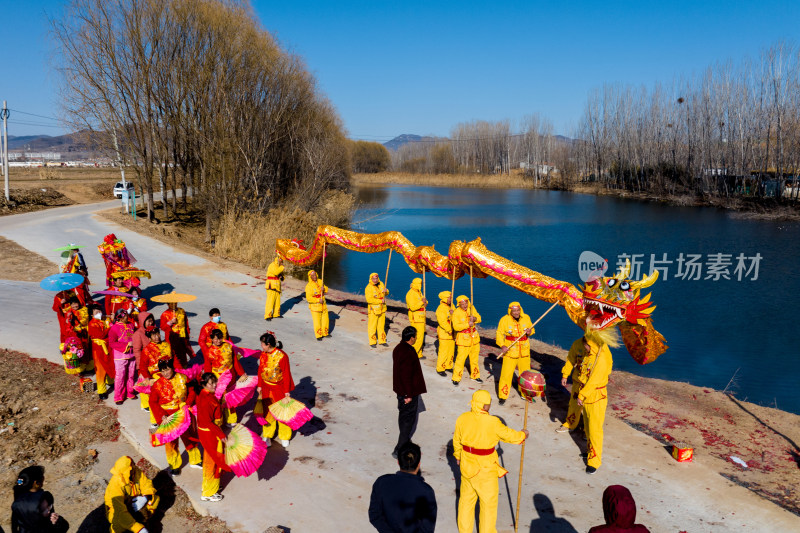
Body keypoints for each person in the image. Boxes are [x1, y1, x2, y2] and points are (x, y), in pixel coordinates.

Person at [452, 390, 528, 533]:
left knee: (466, 502)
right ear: (486, 406)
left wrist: (458, 456)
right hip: (485, 469)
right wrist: (523, 434)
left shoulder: (462, 418)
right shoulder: (493, 422)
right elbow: (510, 436)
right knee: (488, 505)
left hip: (466, 464)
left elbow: (457, 440)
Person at [560, 334, 613, 474]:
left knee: (594, 429)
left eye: (586, 346)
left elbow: (594, 381)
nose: (584, 348)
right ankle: (590, 452)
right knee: (589, 428)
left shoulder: (600, 360)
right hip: (585, 392)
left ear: (592, 345)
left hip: (595, 397)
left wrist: (582, 395)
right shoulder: (590, 356)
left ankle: (594, 461)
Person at [368, 442, 437, 533]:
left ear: (398, 462)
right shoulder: (426, 491)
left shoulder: (381, 482)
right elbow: (427, 529)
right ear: (419, 464)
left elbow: (375, 515)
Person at [149, 359, 201, 474]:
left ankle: (195, 459)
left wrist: (187, 403)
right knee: (171, 442)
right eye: (162, 371)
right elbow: (152, 402)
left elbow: (192, 391)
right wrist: (161, 416)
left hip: (184, 412)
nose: (165, 373)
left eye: (167, 369)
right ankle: (174, 465)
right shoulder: (157, 385)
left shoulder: (183, 378)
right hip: (168, 416)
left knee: (190, 435)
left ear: (172, 368)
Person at [195, 372, 231, 502]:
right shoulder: (206, 400)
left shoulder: (206, 395)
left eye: (215, 382)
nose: (215, 385)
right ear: (204, 384)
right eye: (211, 383)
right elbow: (208, 422)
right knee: (212, 461)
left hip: (210, 431)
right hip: (210, 433)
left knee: (212, 460)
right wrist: (221, 434)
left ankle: (211, 486)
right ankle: (208, 492)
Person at [255, 332, 295, 447]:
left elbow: (286, 374)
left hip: (279, 389)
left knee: (282, 413)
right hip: (266, 388)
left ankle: (284, 436)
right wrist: (259, 385)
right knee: (268, 413)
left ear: (268, 344)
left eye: (262, 344)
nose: (261, 346)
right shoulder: (263, 354)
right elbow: (260, 370)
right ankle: (267, 435)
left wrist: (287, 390)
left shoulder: (282, 356)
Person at [392, 326, 426, 458]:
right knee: (408, 420)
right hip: (407, 392)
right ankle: (400, 447)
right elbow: (406, 375)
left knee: (403, 417)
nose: (416, 338)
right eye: (415, 336)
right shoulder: (408, 352)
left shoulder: (398, 348)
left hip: (400, 390)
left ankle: (404, 439)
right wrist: (408, 395)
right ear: (411, 338)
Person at [139, 327, 183, 425]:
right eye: (154, 335)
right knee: (155, 399)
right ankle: (155, 419)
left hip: (170, 372)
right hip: (156, 376)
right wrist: (148, 378)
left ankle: (172, 414)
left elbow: (174, 359)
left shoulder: (167, 345)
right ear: (149, 338)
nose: (157, 336)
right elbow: (142, 366)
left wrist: (180, 371)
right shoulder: (146, 350)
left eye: (158, 333)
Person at [105, 455, 159, 533]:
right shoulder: (115, 484)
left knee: (155, 500)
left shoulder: (136, 472)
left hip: (133, 501)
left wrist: (145, 498)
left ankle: (142, 520)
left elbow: (146, 484)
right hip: (116, 509)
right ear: (128, 470)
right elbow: (120, 511)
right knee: (118, 521)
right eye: (132, 465)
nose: (135, 465)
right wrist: (139, 529)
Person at [203, 329, 247, 424]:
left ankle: (232, 419)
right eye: (215, 339)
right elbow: (207, 366)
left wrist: (241, 373)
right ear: (211, 339)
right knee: (220, 399)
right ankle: (220, 419)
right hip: (217, 378)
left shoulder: (229, 346)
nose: (218, 341)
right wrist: (207, 381)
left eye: (219, 338)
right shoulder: (209, 351)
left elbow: (235, 361)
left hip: (230, 376)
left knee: (230, 398)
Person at [495, 302, 534, 405]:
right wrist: (502, 345)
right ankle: (503, 396)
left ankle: (525, 394)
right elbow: (499, 333)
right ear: (510, 311)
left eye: (518, 310)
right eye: (514, 311)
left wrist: (530, 332)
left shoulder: (526, 317)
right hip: (510, 351)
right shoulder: (504, 320)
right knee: (506, 375)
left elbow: (532, 328)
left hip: (524, 352)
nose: (516, 313)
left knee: (525, 375)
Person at [11, 465, 69, 533]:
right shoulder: (38, 501)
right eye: (42, 476)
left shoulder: (20, 502)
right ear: (36, 483)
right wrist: (58, 524)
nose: (49, 511)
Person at [451, 295, 483, 385]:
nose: (465, 305)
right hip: (463, 340)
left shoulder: (471, 308)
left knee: (474, 359)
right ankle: (456, 378)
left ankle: (475, 376)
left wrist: (475, 319)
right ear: (459, 304)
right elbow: (456, 327)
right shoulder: (456, 313)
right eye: (463, 304)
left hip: (474, 338)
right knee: (460, 360)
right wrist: (467, 324)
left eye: (466, 303)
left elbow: (479, 318)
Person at [108, 309, 137, 405]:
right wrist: (127, 345)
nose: (126, 317)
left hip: (132, 354)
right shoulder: (114, 328)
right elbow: (112, 343)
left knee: (131, 374)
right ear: (119, 317)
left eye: (127, 315)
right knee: (120, 376)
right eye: (124, 316)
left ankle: (130, 392)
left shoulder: (131, 325)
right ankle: (118, 396)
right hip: (120, 355)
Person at [88, 305, 114, 400]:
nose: (98, 313)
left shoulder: (104, 320)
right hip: (98, 348)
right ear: (92, 314)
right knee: (100, 369)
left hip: (108, 346)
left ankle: (110, 381)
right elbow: (101, 335)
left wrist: (112, 319)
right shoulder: (92, 324)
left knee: (109, 364)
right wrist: (109, 328)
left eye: (99, 310)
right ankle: (102, 390)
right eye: (96, 311)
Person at [160, 301, 192, 368]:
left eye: (175, 303)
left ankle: (184, 368)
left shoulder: (181, 311)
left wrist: (187, 334)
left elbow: (186, 323)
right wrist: (171, 322)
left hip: (182, 336)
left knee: (183, 353)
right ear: (168, 304)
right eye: (171, 303)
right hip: (172, 338)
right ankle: (176, 369)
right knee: (174, 354)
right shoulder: (165, 314)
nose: (174, 304)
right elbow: (163, 327)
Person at [405, 278, 427, 358]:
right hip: (416, 318)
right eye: (420, 284)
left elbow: (424, 301)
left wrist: (425, 302)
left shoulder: (418, 292)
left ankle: (418, 353)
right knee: (418, 336)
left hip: (421, 317)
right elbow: (413, 307)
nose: (421, 285)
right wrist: (422, 302)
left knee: (420, 336)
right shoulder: (411, 294)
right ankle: (414, 353)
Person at [365, 273, 388, 347]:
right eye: (373, 279)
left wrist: (386, 291)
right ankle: (372, 342)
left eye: (376, 278)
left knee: (381, 326)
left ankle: (382, 340)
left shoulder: (381, 284)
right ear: (371, 279)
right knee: (372, 326)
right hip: (373, 310)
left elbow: (386, 293)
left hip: (382, 309)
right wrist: (380, 301)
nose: (375, 280)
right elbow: (369, 300)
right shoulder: (368, 288)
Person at [435, 291, 455, 376]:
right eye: (449, 297)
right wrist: (449, 330)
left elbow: (456, 316)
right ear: (445, 298)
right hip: (445, 333)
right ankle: (440, 368)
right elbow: (442, 322)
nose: (451, 299)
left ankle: (448, 365)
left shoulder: (452, 306)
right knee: (443, 351)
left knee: (451, 350)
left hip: (452, 333)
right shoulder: (440, 309)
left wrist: (453, 314)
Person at [305, 270, 329, 340]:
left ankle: (325, 333)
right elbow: (309, 298)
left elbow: (326, 288)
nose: (314, 276)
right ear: (310, 277)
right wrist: (318, 300)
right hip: (315, 306)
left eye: (315, 275)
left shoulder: (320, 281)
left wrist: (324, 289)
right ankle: (318, 335)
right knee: (317, 321)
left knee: (325, 319)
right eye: (312, 275)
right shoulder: (309, 286)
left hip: (323, 305)